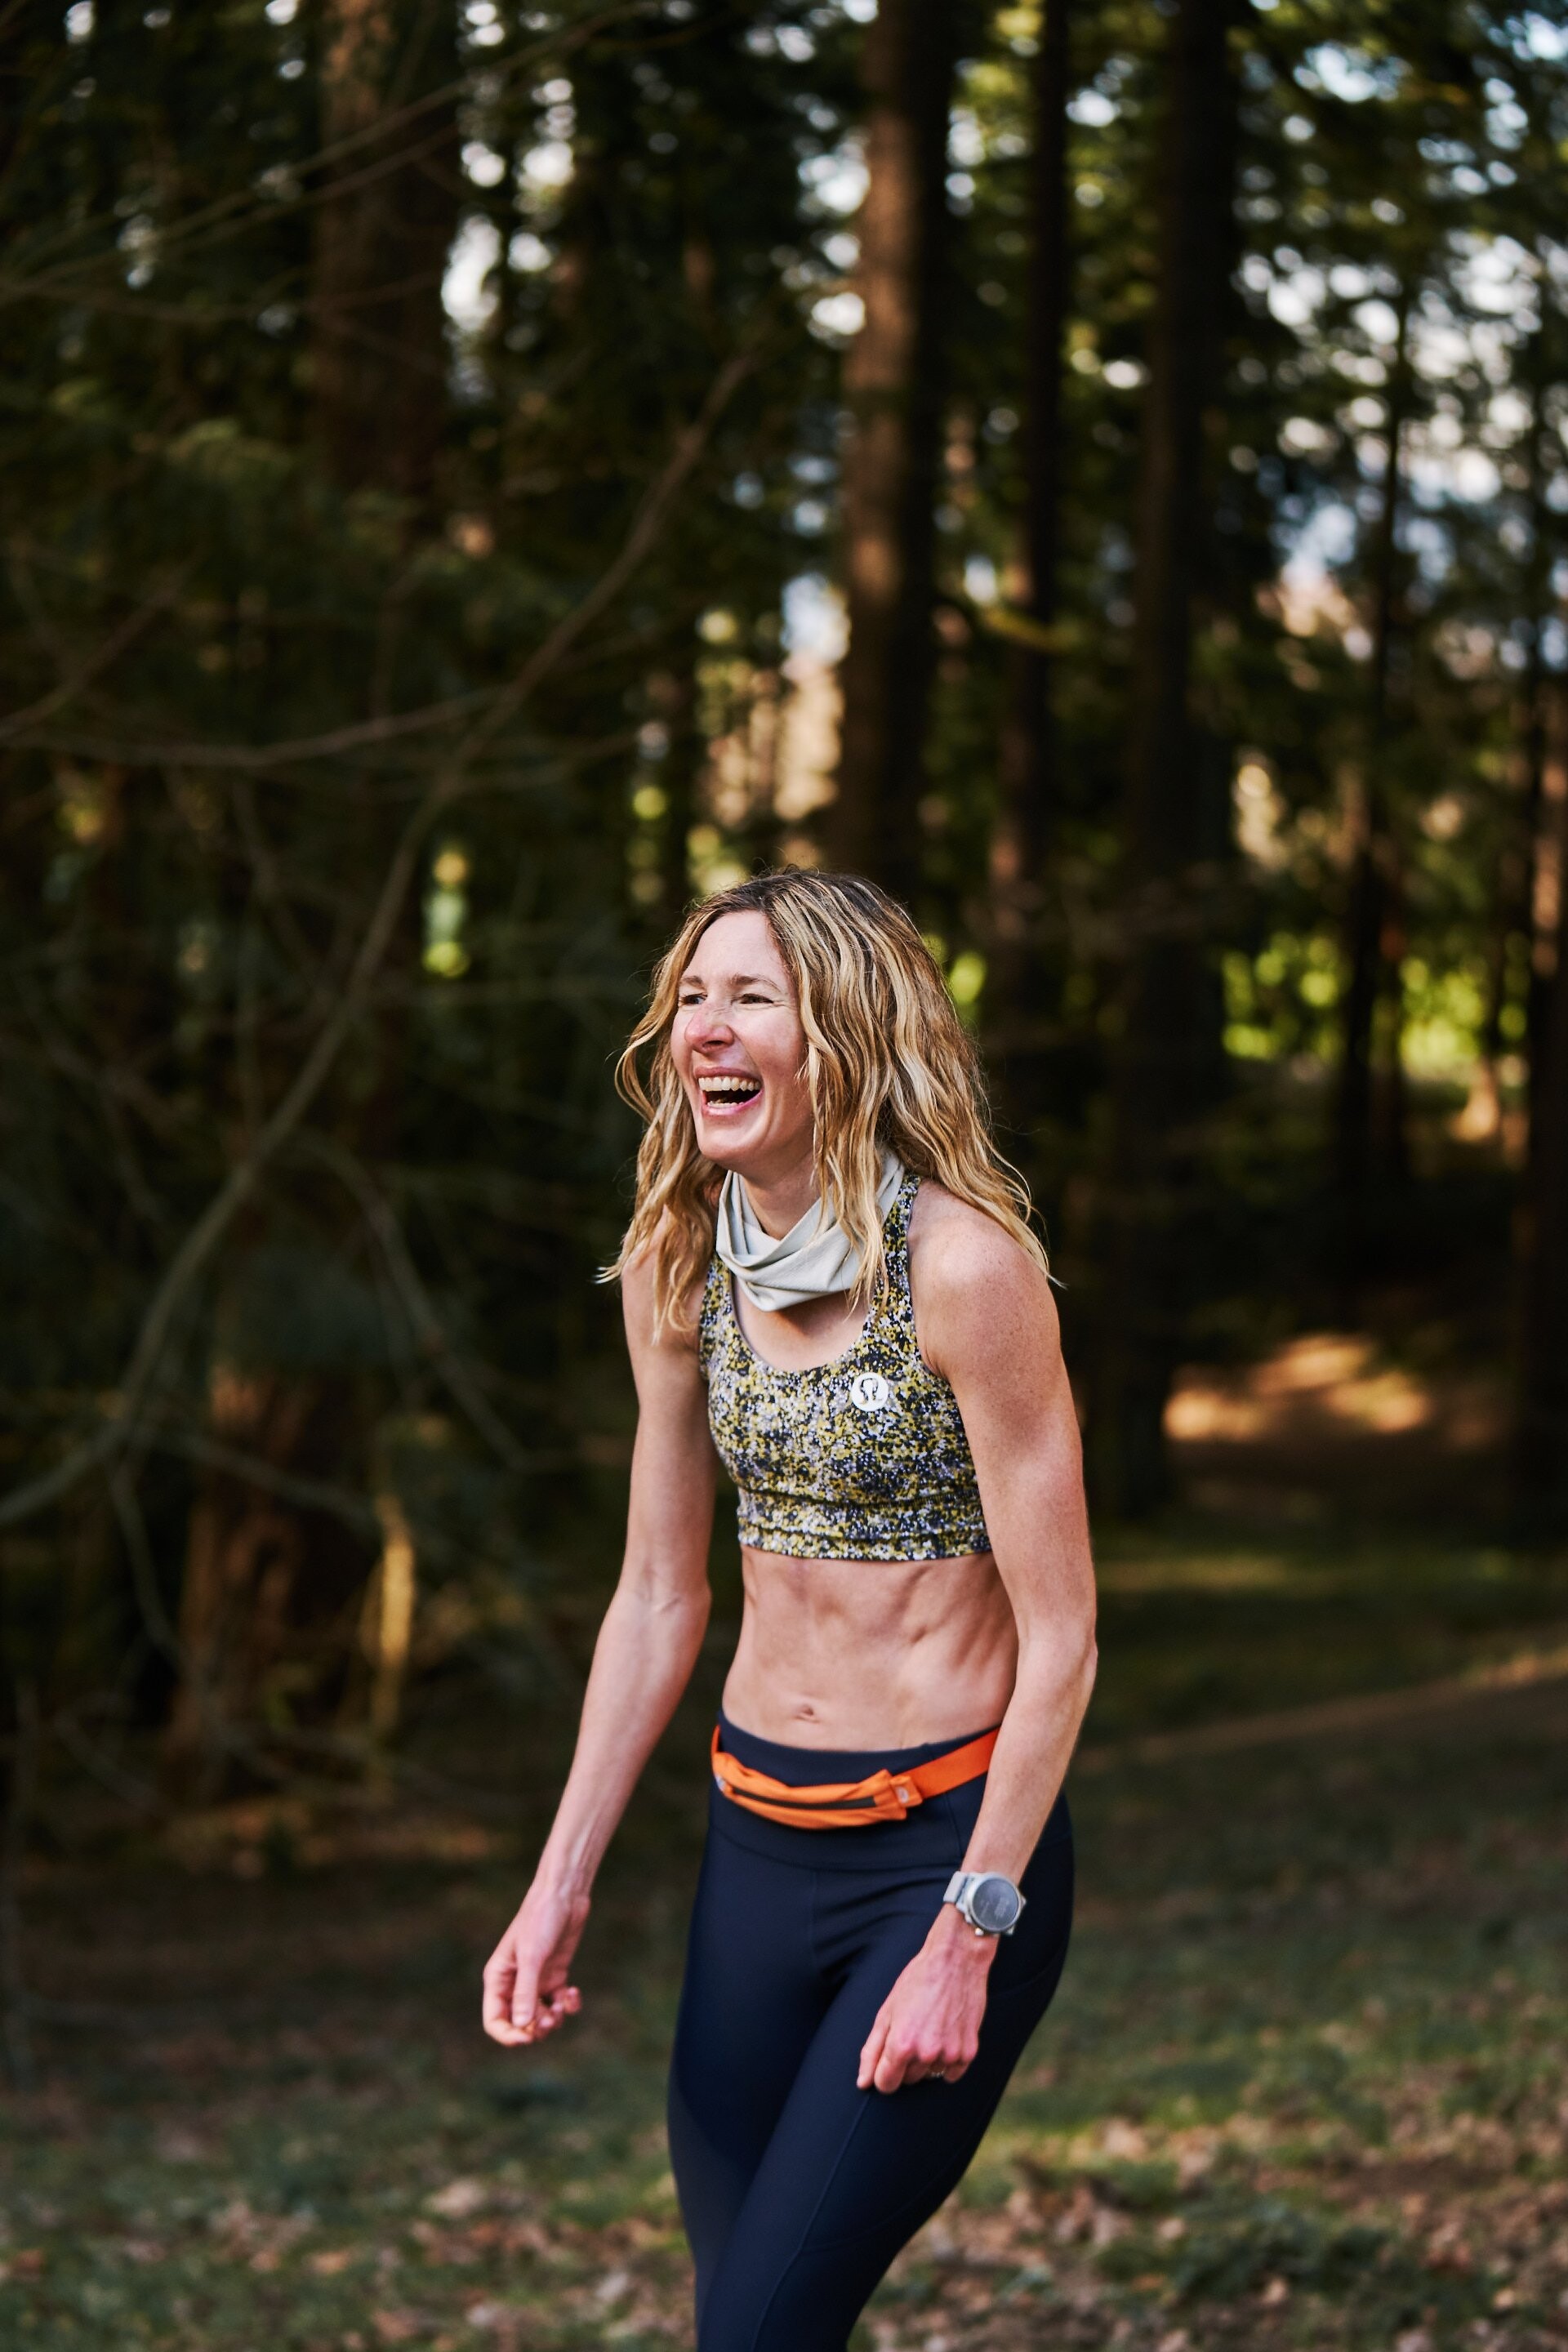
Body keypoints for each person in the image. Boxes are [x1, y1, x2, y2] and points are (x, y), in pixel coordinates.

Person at [482, 868, 1098, 2352]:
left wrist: (970, 1933)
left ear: (846, 1035)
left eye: (751, 997)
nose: (704, 1028)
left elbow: (1065, 1637)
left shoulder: (967, 1272)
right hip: (754, 1852)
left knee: (757, 2333)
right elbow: (655, 1593)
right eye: (691, 997)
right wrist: (560, 1879)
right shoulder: (677, 1262)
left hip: (938, 1858)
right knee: (747, 2319)